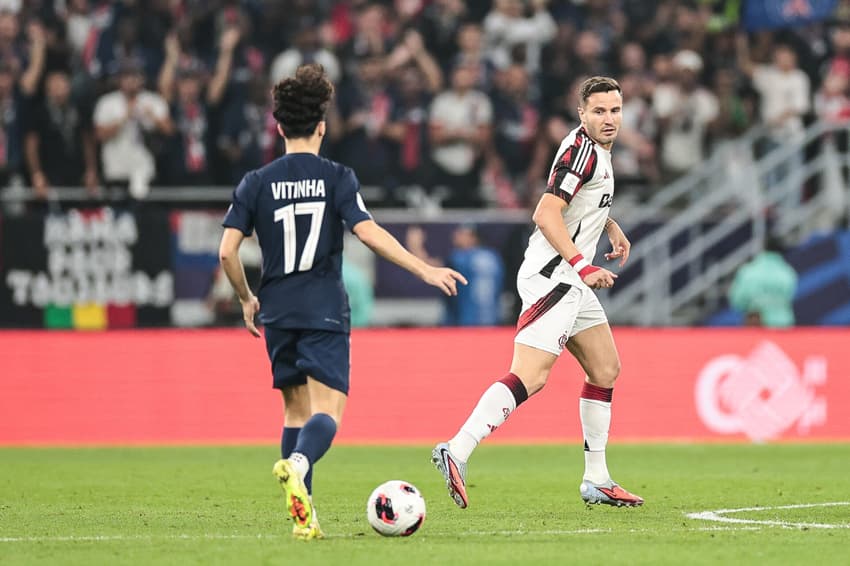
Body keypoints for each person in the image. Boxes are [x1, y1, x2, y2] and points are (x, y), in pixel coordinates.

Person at [218, 63, 466, 540]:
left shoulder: (255, 181)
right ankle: (298, 462)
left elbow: (227, 250)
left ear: (278, 126)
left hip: (276, 308)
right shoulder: (336, 177)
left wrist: (246, 298)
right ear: (322, 126)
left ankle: (303, 518)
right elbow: (368, 233)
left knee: (294, 411)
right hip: (324, 307)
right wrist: (425, 269)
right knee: (327, 412)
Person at [432, 76, 644, 509]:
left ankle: (597, 479)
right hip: (556, 277)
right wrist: (583, 264)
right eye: (599, 111)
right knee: (532, 375)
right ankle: (457, 447)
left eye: (615, 110)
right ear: (581, 113)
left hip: (571, 277)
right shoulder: (584, 152)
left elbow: (577, 204)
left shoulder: (593, 151)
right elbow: (546, 213)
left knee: (605, 368)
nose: (608, 119)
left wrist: (609, 224)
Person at [728, 237, 798, 328]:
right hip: (783, 325)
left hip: (757, 325)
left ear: (763, 248)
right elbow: (790, 295)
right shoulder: (787, 272)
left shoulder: (749, 271)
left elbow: (737, 300)